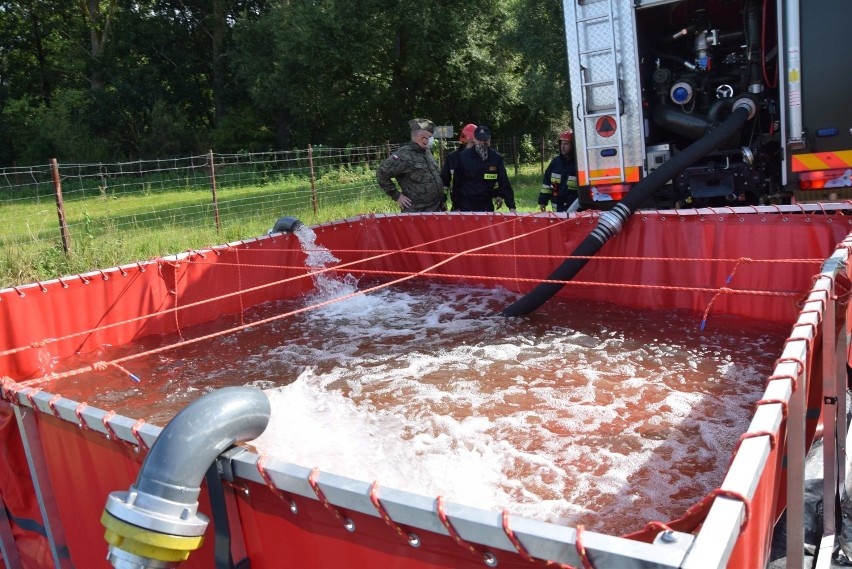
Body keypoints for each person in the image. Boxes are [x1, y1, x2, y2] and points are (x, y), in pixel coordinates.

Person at [376, 118, 446, 212]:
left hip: (436, 209)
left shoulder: (426, 152)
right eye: (430, 137)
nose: (432, 140)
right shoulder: (403, 155)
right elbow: (381, 173)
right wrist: (397, 196)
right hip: (417, 213)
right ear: (422, 138)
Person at [451, 125, 516, 213]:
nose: (483, 142)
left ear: (489, 140)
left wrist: (512, 206)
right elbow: (456, 184)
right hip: (466, 206)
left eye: (485, 140)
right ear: (474, 139)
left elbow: (504, 183)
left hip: (486, 206)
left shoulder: (496, 158)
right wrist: (456, 206)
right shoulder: (463, 157)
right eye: (480, 140)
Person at [539, 129, 579, 213]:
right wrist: (543, 201)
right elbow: (547, 184)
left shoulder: (579, 163)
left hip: (575, 209)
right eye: (561, 143)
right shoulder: (555, 162)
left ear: (573, 145)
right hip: (557, 208)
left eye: (566, 144)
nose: (562, 146)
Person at [440, 123, 476, 210]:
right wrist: (443, 200)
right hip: (459, 205)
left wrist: (498, 194)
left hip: (481, 205)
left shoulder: (483, 156)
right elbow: (444, 181)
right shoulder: (452, 158)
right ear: (465, 141)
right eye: (472, 142)